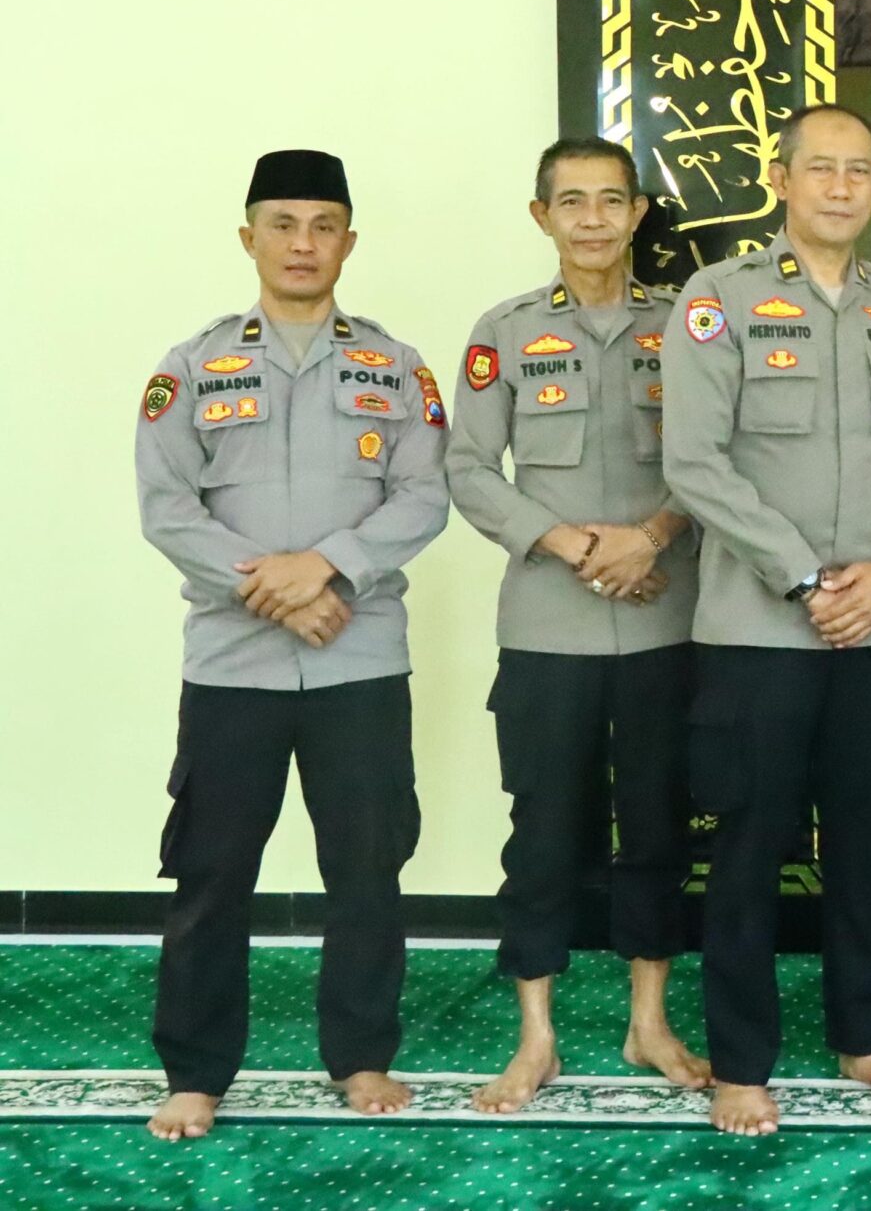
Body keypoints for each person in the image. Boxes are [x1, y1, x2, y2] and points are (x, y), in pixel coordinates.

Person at [134, 149, 449, 1140]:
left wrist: (329, 569)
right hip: (232, 664)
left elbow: (425, 494)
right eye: (283, 224)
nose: (303, 243)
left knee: (367, 867)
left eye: (323, 226)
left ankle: (361, 1055)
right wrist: (274, 589)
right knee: (212, 872)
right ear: (249, 237)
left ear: (348, 242)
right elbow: (166, 507)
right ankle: (196, 1070)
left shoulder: (397, 367)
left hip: (359, 656)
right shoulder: (192, 366)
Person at [661, 105, 871, 1136]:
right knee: (749, 846)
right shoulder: (719, 299)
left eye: (859, 170)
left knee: (869, 842)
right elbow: (694, 462)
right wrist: (802, 578)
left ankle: (864, 1036)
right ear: (780, 179)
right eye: (820, 168)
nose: (841, 186)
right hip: (757, 631)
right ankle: (742, 1062)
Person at [446, 136, 707, 1113]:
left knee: (658, 826)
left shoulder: (689, 325)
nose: (592, 219)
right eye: (572, 201)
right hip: (548, 623)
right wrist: (569, 542)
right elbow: (469, 467)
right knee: (544, 829)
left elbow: (718, 454)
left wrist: (651, 536)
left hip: (664, 615)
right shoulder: (505, 331)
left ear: (637, 213)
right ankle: (536, 1035)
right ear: (542, 216)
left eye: (610, 200)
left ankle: (649, 1023)